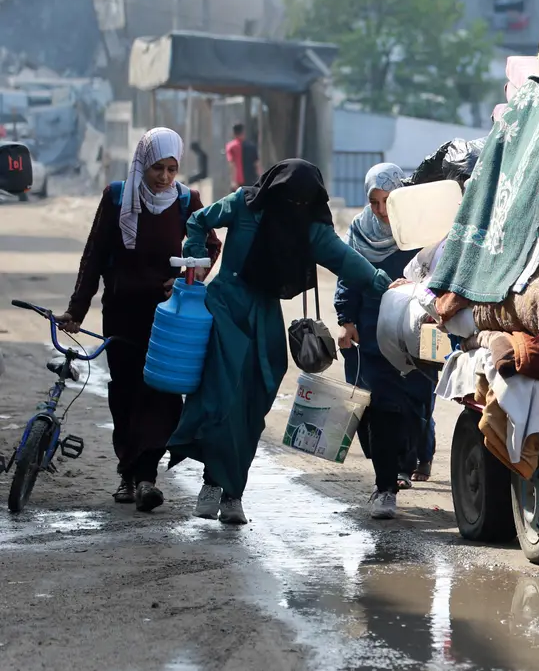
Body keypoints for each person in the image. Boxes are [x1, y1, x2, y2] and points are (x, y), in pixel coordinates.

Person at [166, 159, 394, 525]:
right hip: (225, 307)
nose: (294, 206)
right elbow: (198, 220)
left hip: (265, 317)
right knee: (221, 398)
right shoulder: (243, 203)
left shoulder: (308, 228)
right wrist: (194, 266)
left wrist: (383, 282)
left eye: (303, 200)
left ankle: (233, 492)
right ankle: (214, 485)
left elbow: (345, 260)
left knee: (255, 404)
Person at [57, 127, 221, 512]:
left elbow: (209, 245)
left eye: (171, 168)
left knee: (162, 393)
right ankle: (128, 475)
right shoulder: (117, 197)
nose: (164, 177)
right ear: (142, 165)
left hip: (168, 318)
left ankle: (147, 477)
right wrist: (76, 310)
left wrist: (185, 278)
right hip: (122, 311)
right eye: (157, 169)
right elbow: (94, 255)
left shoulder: (186, 200)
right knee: (126, 391)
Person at [336, 162, 438, 519]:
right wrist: (345, 319)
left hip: (412, 332)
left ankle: (408, 462)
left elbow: (436, 272)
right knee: (379, 409)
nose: (380, 210)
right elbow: (348, 277)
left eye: (387, 201)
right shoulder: (360, 232)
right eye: (374, 201)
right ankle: (385, 487)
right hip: (371, 330)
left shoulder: (419, 229)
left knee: (415, 405)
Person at [225, 123, 260, 191]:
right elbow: (257, 164)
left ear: (233, 133)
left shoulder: (231, 146)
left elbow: (232, 165)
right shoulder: (252, 146)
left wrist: (233, 181)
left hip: (238, 183)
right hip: (251, 181)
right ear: (243, 132)